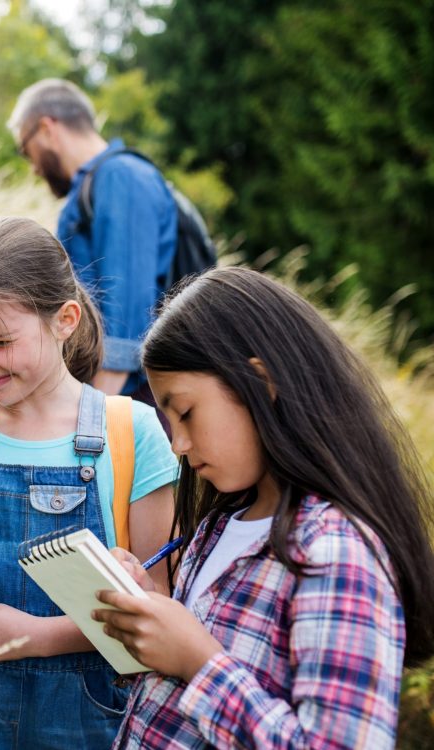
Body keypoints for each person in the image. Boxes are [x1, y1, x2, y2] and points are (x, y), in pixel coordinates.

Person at [90, 267, 434, 749]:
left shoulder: (335, 551)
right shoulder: (217, 527)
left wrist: (199, 661)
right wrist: (151, 616)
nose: (179, 445)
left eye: (185, 412)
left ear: (261, 380)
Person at [0, 217, 178, 748]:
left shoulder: (131, 430)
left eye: (0, 341)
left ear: (65, 320)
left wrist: (35, 637)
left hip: (82, 714)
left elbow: (158, 600)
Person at [8, 78, 176, 409]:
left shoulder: (120, 176)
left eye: (25, 150)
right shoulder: (94, 186)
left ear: (47, 129)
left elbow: (125, 318)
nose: (33, 168)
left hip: (131, 401)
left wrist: (92, 419)